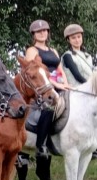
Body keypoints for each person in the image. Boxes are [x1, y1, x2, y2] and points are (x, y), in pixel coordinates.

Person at [24, 18, 71, 158]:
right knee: (50, 107)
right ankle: (41, 145)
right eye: (38, 31)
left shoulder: (53, 50)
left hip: (59, 85)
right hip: (43, 87)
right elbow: (34, 73)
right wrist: (56, 85)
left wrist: (66, 84)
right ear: (33, 34)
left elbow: (60, 69)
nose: (42, 33)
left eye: (44, 30)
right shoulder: (32, 50)